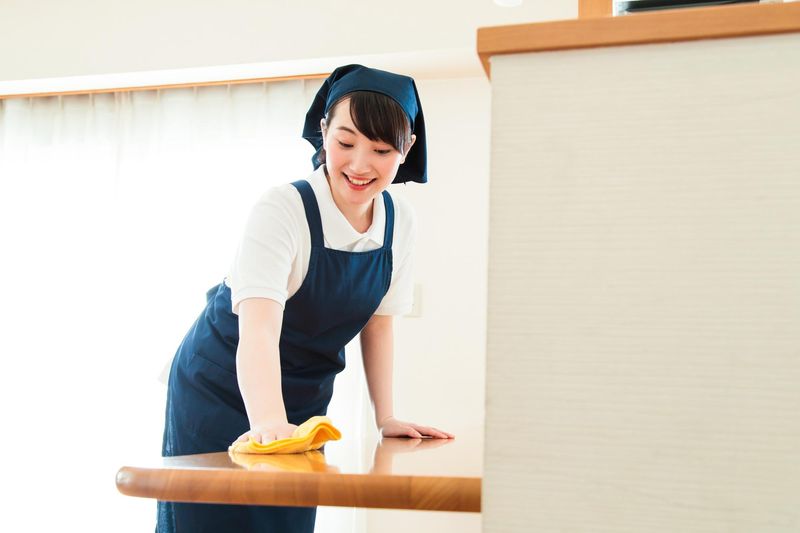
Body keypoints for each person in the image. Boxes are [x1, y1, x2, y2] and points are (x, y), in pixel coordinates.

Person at [157, 64, 454, 533]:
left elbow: (379, 323)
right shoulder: (284, 208)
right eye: (345, 143)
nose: (360, 165)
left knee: (286, 519)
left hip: (303, 394)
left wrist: (386, 416)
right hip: (220, 387)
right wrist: (269, 423)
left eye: (381, 150)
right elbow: (258, 331)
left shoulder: (399, 221)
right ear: (323, 132)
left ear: (407, 148)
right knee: (214, 519)